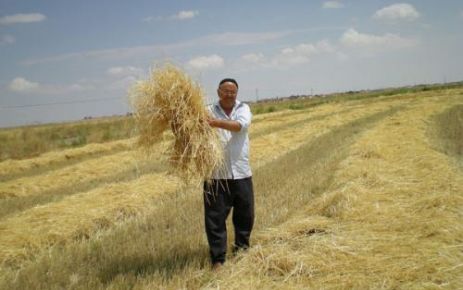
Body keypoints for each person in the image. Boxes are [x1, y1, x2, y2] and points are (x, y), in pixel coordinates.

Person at [205, 78, 254, 270]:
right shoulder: (207, 110)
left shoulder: (243, 108)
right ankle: (218, 259)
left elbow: (240, 126)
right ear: (218, 92)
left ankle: (242, 251)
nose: (229, 94)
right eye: (226, 91)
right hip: (216, 174)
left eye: (233, 91)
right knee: (214, 219)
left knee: (245, 215)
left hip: (241, 172)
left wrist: (215, 123)